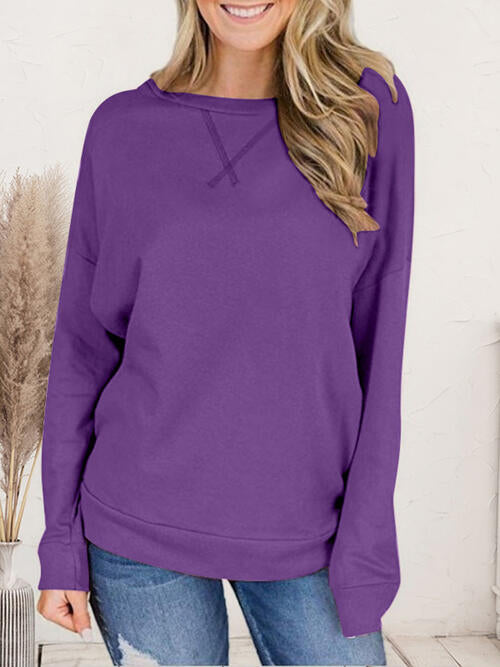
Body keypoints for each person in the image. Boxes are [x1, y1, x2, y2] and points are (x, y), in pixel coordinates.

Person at [36, 0, 415, 664]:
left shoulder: (365, 109)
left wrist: (366, 543)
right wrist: (60, 543)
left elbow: (379, 340)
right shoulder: (121, 129)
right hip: (138, 527)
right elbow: (82, 349)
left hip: (310, 529)